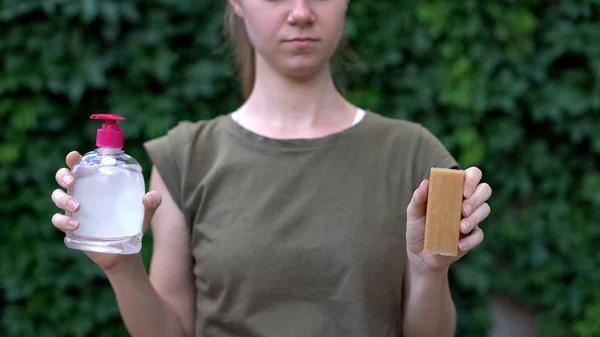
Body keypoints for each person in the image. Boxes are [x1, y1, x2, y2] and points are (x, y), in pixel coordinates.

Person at [51, 0, 492, 336]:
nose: (300, 13)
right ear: (237, 4)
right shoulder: (185, 156)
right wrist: (122, 269)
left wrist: (429, 271)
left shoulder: (412, 155)